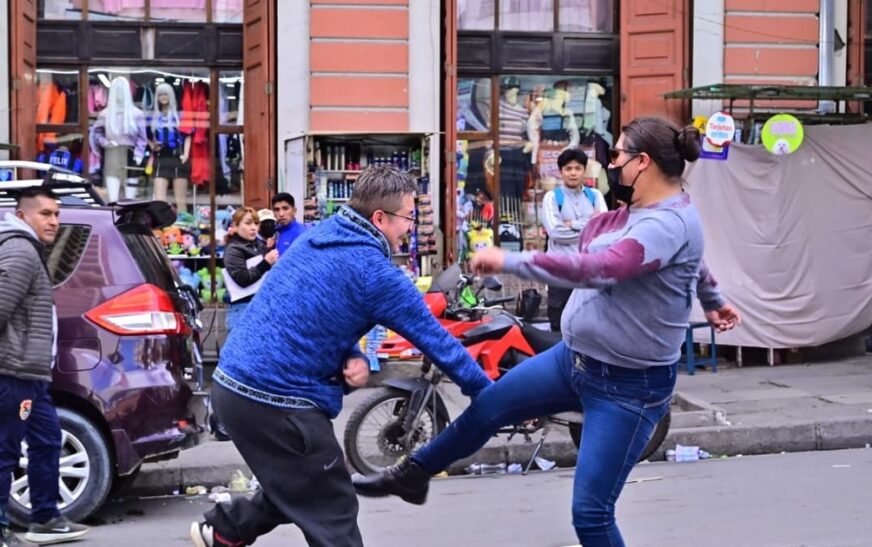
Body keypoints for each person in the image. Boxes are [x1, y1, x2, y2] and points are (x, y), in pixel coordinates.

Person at [353, 117, 742, 547]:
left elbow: (601, 269)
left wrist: (512, 261)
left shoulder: (666, 224)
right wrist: (714, 301)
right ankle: (414, 474)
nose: (608, 164)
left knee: (591, 514)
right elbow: (696, 264)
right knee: (487, 408)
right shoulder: (638, 213)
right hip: (571, 360)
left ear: (642, 162)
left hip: (627, 387)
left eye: (615, 155)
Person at [189, 166, 492, 547]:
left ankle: (225, 531)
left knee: (304, 479)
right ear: (380, 218)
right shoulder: (374, 272)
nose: (411, 227)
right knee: (332, 504)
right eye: (409, 217)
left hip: (236, 387)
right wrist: (492, 396)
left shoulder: (317, 237)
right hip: (275, 400)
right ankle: (226, 529)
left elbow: (306, 310)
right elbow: (440, 344)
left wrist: (349, 351)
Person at [0, 187, 90, 546]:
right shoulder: (20, 252)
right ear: (23, 216)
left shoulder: (28, 250)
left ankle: (46, 519)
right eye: (45, 214)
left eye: (56, 214)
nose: (54, 221)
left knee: (48, 439)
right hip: (14, 371)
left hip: (33, 373)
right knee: (5, 450)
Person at [542, 147, 607, 331]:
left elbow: (603, 229)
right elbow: (556, 233)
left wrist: (573, 224)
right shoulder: (552, 197)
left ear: (584, 171)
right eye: (568, 168)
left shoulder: (595, 195)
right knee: (559, 326)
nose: (573, 173)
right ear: (561, 172)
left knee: (589, 327)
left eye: (577, 168)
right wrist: (589, 226)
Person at [221, 207, 278, 333]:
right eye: (248, 223)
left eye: (256, 223)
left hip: (261, 306)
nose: (253, 228)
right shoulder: (233, 249)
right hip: (242, 309)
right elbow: (243, 278)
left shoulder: (259, 245)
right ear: (235, 226)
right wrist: (266, 262)